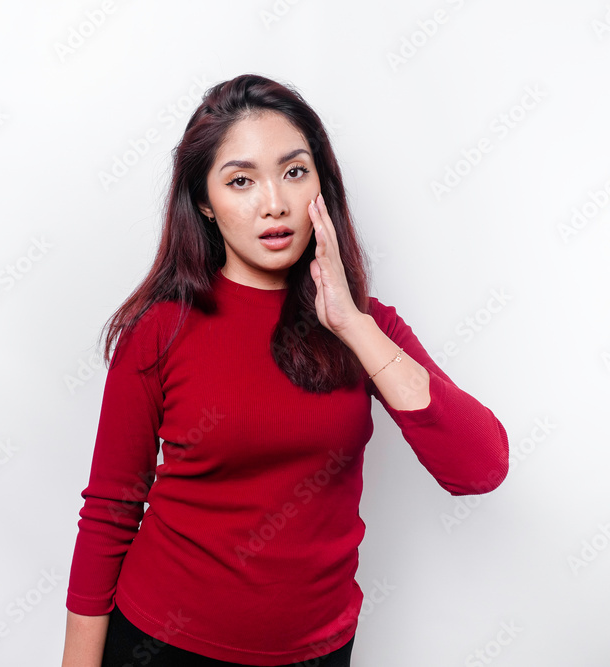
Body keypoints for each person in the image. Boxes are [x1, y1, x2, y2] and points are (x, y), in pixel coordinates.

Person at [61, 73, 509, 667]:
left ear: (322, 184)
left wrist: (350, 324)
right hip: (161, 644)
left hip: (317, 652)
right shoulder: (161, 328)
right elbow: (110, 508)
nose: (273, 202)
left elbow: (479, 467)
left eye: (294, 172)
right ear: (205, 203)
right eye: (241, 180)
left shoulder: (368, 328)